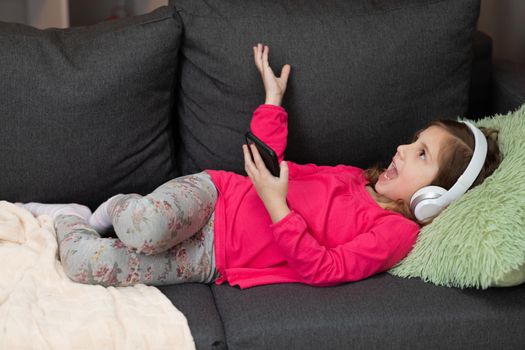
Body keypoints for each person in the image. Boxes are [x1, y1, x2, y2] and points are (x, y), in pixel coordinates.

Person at [19, 44, 502, 288]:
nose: (402, 148)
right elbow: (270, 165)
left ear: (436, 195)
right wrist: (272, 102)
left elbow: (326, 269)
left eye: (421, 154)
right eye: (413, 140)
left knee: (85, 265)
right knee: (146, 227)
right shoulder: (354, 177)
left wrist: (277, 207)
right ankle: (113, 208)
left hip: (217, 260)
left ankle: (72, 217)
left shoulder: (396, 235)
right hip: (216, 196)